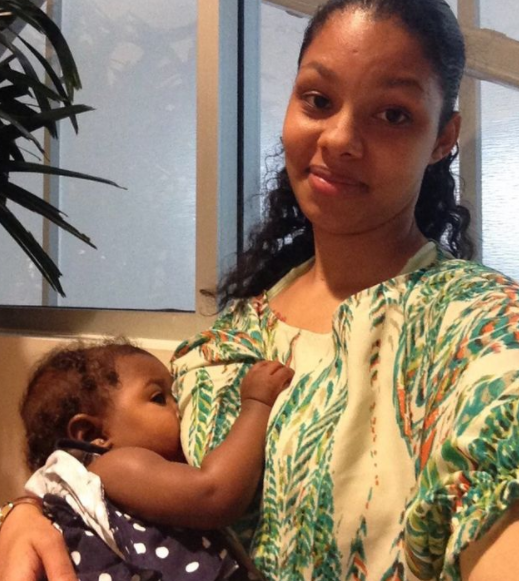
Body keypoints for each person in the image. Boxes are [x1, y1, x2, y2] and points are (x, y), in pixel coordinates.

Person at [1, 0, 519, 579]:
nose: (340, 138)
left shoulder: (484, 332)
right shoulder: (226, 343)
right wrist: (27, 512)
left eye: (393, 114)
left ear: (444, 137)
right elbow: (124, 476)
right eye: (318, 100)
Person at [17, 339, 293, 580]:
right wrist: (257, 405)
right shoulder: (112, 467)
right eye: (159, 398)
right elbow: (214, 492)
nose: (179, 408)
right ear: (92, 435)